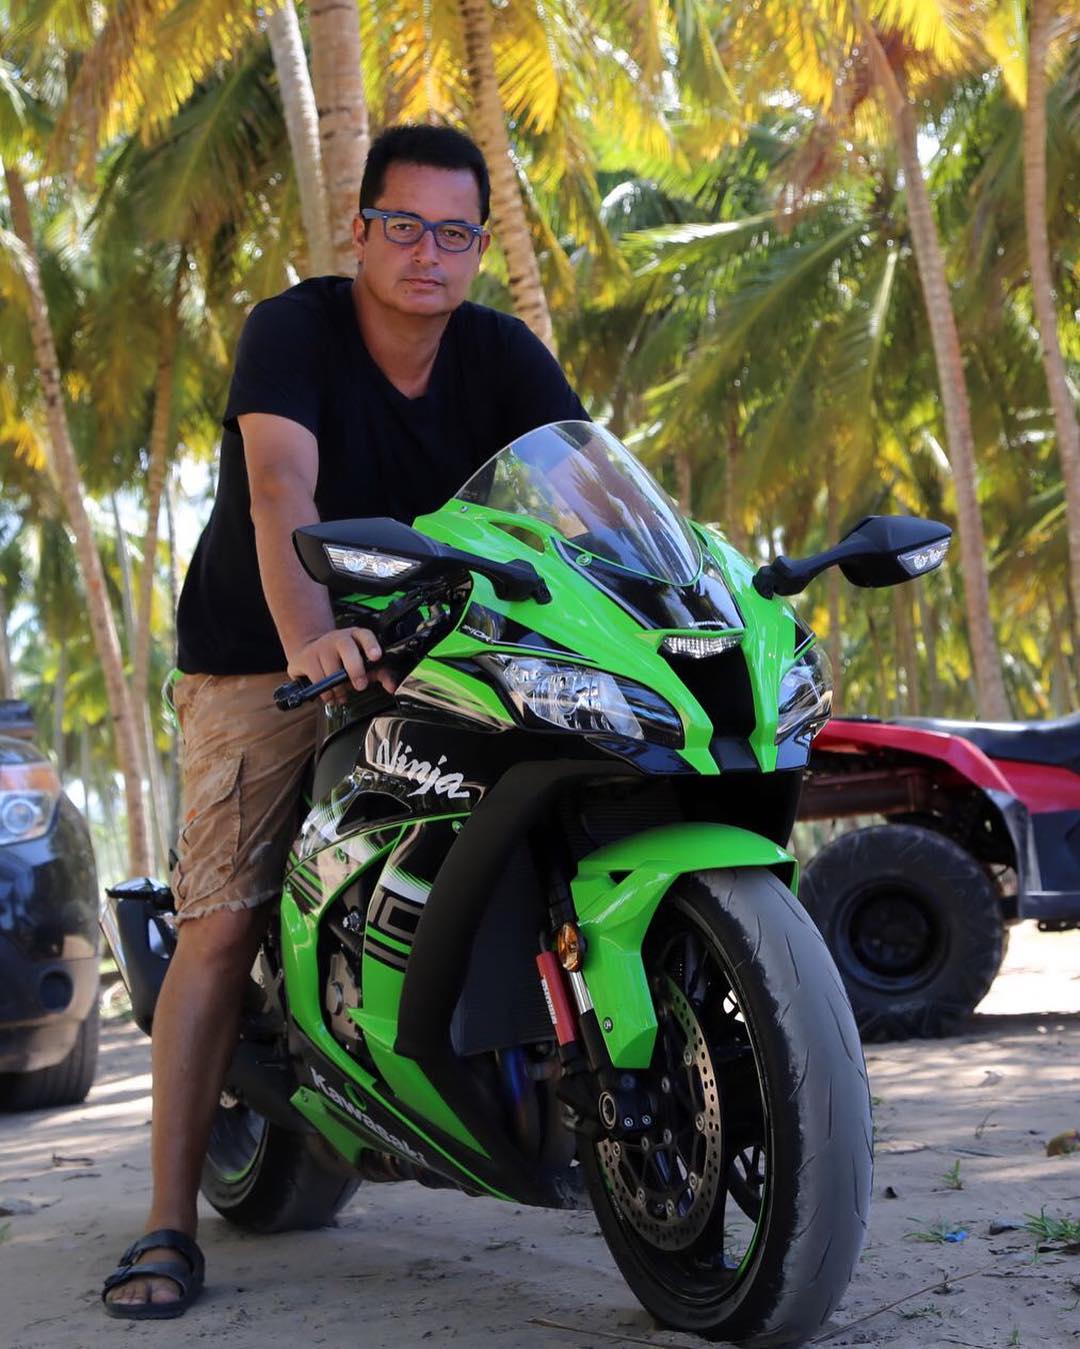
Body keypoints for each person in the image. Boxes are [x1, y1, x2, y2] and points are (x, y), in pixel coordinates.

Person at [102, 123, 587, 1319]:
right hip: (264, 648)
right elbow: (282, 490)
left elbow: (585, 493)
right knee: (223, 919)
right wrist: (311, 638)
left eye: (455, 232)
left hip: (441, 637)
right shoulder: (294, 331)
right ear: (359, 230)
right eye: (405, 226)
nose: (430, 253)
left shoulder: (501, 353)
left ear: (480, 246)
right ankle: (166, 1221)